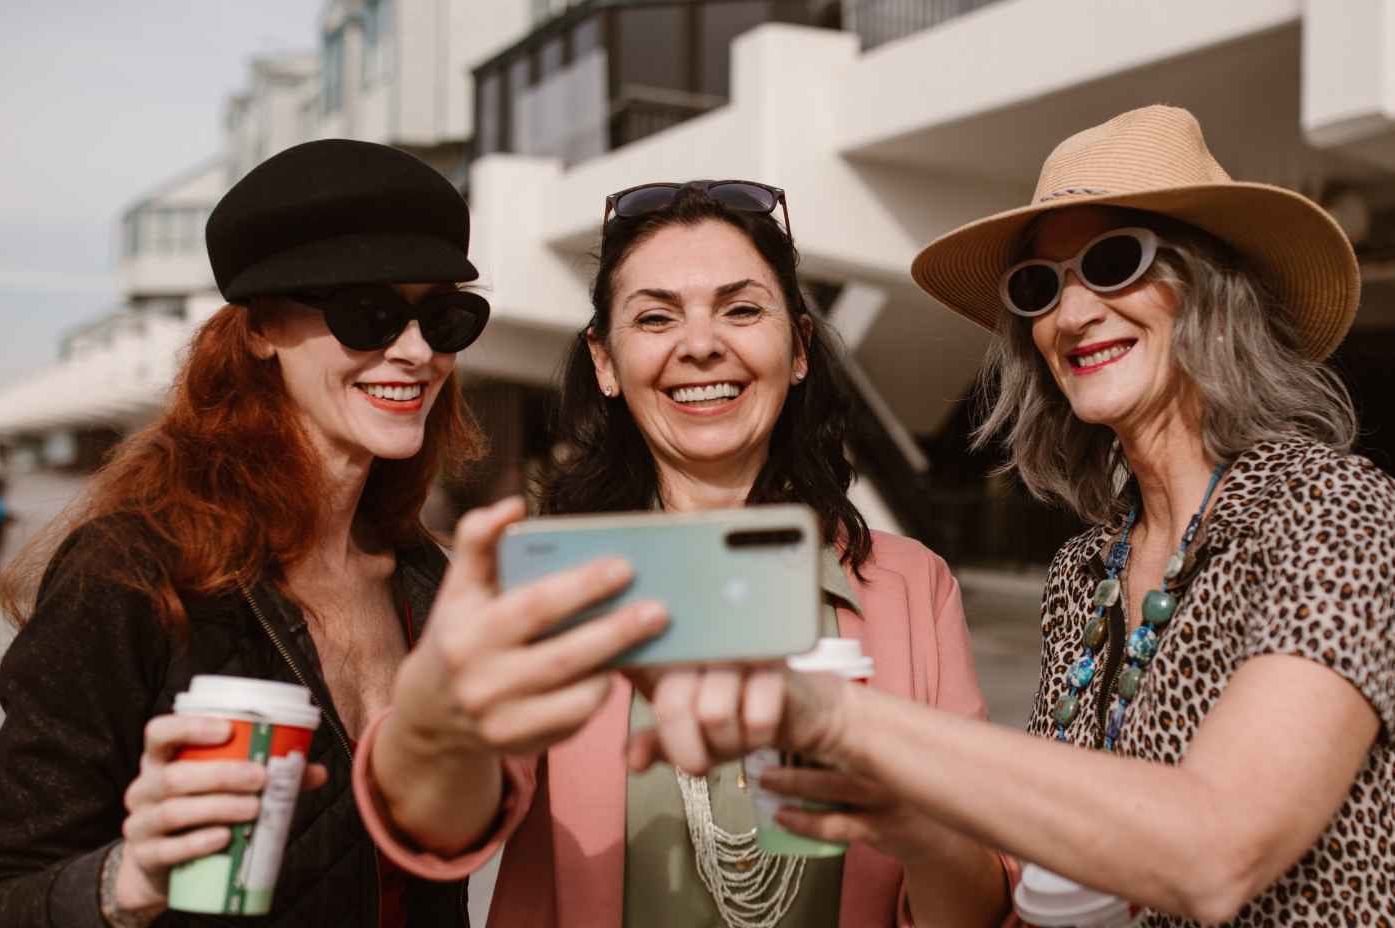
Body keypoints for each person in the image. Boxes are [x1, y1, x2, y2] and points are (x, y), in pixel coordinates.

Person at [627, 107, 1395, 926]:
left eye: (1114, 261)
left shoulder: (1337, 512)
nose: (1071, 312)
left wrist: (837, 717)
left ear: (1213, 283)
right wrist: (917, 827)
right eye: (1039, 286)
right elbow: (1059, 862)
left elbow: (1216, 850)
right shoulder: (1084, 576)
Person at [350, 181, 1012, 926]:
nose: (700, 345)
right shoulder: (553, 586)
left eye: (741, 309)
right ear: (605, 362)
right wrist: (438, 726)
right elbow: (442, 827)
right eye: (656, 316)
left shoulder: (912, 586)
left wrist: (919, 831)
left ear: (799, 349)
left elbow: (981, 907)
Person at [0, 139, 565, 927]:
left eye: (444, 317)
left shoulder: (430, 583)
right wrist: (126, 881)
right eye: (369, 313)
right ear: (263, 327)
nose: (416, 352)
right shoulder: (131, 573)